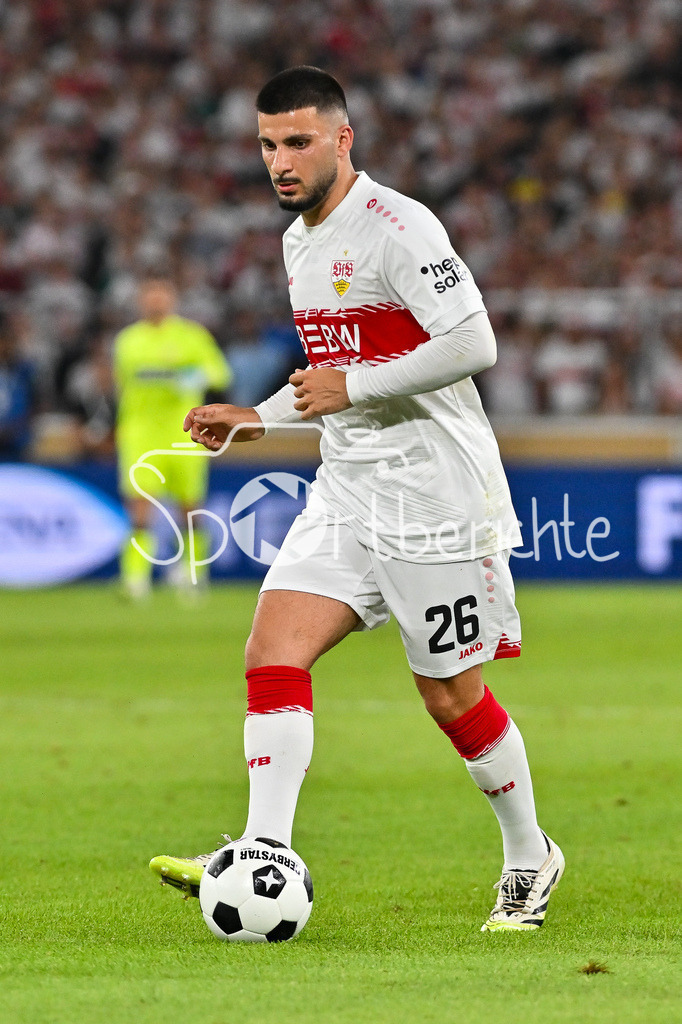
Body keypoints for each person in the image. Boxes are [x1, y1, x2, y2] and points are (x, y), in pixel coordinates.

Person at [150, 67, 564, 932]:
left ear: (344, 139)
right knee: (272, 653)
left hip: (436, 499)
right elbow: (327, 383)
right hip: (346, 491)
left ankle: (531, 854)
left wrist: (357, 387)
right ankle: (266, 851)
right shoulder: (300, 240)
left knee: (450, 695)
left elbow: (474, 341)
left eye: (297, 141)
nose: (280, 161)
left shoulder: (399, 227)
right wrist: (256, 417)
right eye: (267, 144)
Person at [114, 274, 231, 598]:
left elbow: (220, 372)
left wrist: (194, 375)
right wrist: (175, 372)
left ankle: (193, 573)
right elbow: (125, 380)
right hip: (140, 431)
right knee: (140, 505)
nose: (156, 301)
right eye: (150, 295)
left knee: (190, 506)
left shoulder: (192, 336)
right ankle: (135, 578)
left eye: (162, 295)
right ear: (141, 300)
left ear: (172, 299)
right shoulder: (128, 340)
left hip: (183, 432)